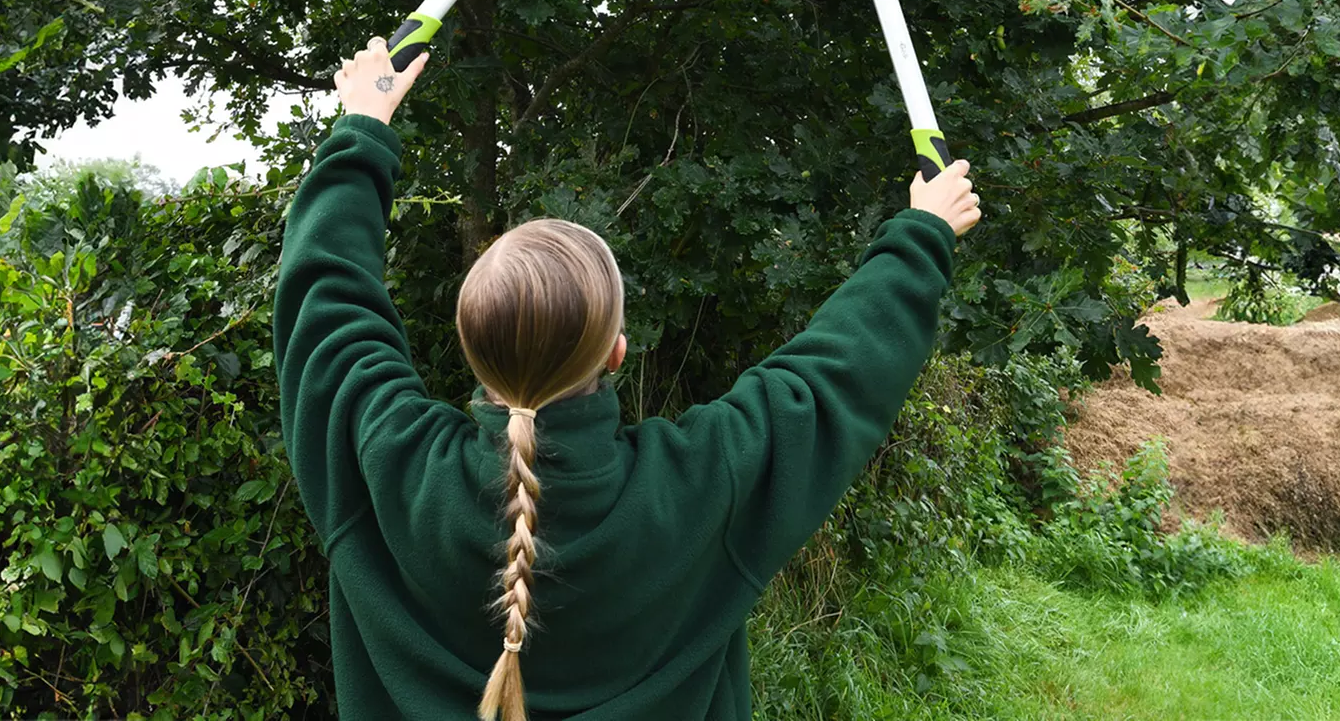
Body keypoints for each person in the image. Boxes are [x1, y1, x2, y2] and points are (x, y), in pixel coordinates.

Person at [274, 37, 979, 721]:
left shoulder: (388, 461)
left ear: (470, 349)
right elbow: (833, 376)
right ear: (616, 353)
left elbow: (325, 297)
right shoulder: (698, 485)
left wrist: (363, 122)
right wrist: (922, 231)